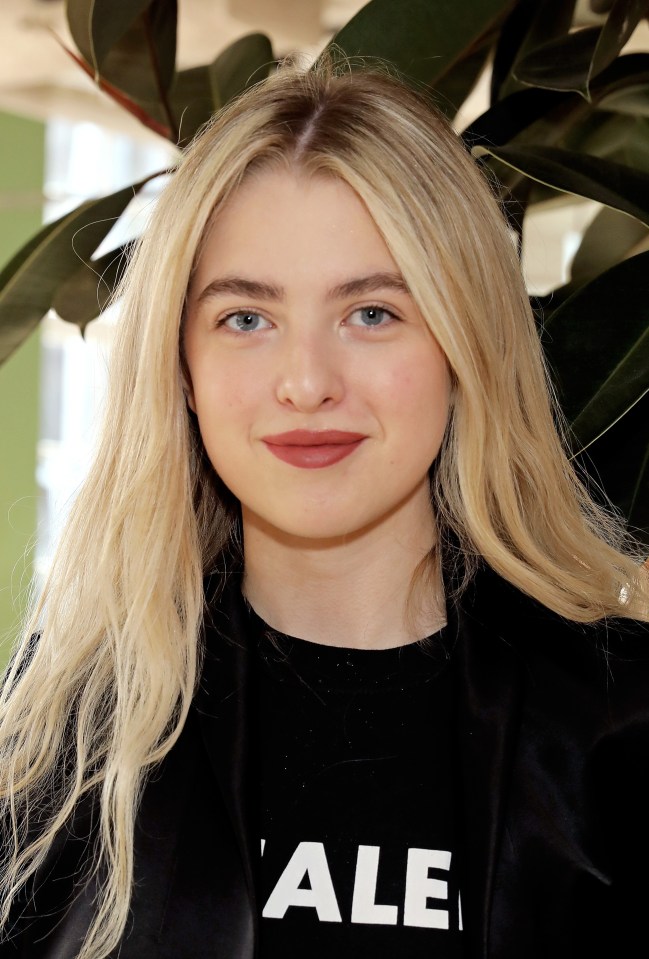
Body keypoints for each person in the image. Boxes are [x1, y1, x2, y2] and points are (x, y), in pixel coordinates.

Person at [0, 59, 648, 959]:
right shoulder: (57, 736)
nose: (306, 383)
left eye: (372, 313)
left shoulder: (618, 727)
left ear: (464, 345)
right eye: (245, 319)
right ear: (180, 369)